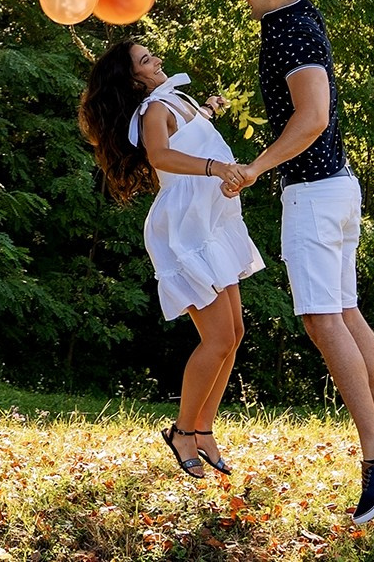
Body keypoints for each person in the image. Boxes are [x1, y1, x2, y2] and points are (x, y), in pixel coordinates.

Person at [174, 0, 374, 524]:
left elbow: (311, 117)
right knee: (346, 311)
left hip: (311, 191)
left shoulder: (288, 37)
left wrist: (256, 167)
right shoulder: (293, 13)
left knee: (321, 321)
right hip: (336, 186)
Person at [79, 38, 264, 479]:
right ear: (133, 79)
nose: (157, 59)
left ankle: (203, 428)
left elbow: (192, 136)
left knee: (234, 334)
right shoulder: (151, 113)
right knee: (217, 339)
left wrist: (209, 111)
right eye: (146, 60)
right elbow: (161, 155)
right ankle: (181, 430)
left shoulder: (175, 101)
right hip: (185, 228)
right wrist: (218, 169)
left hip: (212, 219)